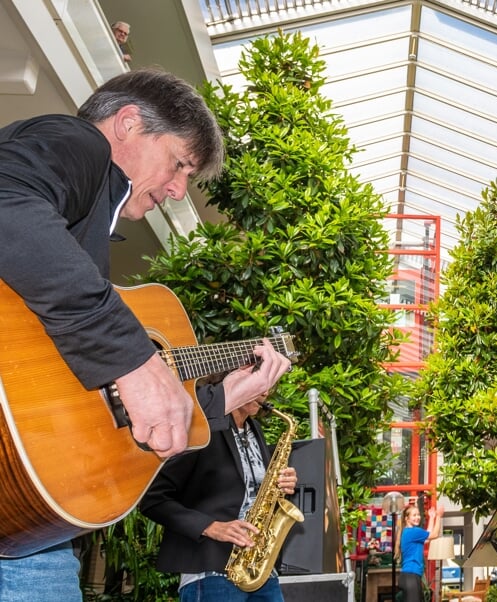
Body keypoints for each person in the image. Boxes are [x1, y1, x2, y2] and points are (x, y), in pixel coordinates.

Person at [0, 69, 287, 601]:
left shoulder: (86, 225)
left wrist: (223, 398)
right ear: (128, 123)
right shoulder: (77, 143)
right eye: (178, 164)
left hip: (27, 528)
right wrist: (133, 360)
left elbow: (85, 404)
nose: (178, 189)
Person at [140, 395, 298, 602]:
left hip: (259, 571)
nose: (265, 392)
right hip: (211, 571)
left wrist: (282, 486)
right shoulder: (202, 428)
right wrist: (209, 526)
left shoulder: (254, 430)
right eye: (259, 382)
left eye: (269, 385)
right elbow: (152, 499)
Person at [397, 502, 444, 602]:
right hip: (411, 577)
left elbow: (427, 537)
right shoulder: (413, 532)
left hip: (410, 577)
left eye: (418, 515)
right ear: (407, 518)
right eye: (414, 515)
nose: (417, 517)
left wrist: (431, 517)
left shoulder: (409, 531)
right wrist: (439, 516)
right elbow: (435, 534)